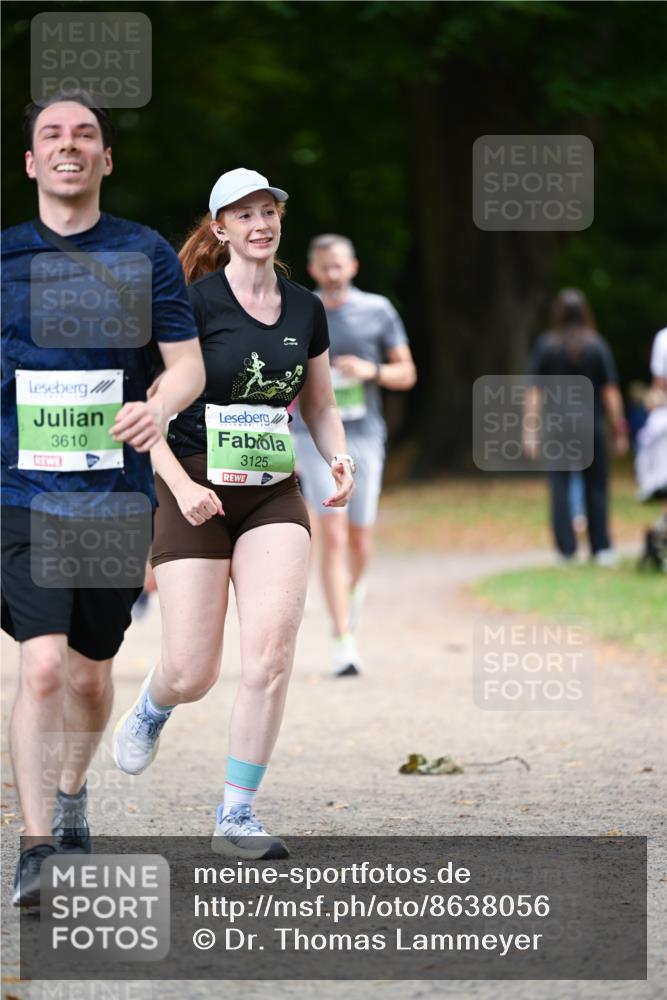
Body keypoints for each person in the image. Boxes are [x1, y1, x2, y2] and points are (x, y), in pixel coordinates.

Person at [113, 168, 355, 859]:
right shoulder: (189, 307)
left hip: (271, 489)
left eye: (268, 211)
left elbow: (320, 405)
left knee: (271, 655)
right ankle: (156, 704)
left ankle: (236, 816)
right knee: (193, 670)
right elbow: (141, 411)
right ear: (219, 228)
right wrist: (178, 487)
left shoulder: (306, 308)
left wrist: (338, 457)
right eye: (243, 214)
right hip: (192, 484)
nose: (260, 223)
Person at [1, 91, 205, 906]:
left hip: (113, 494)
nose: (68, 145)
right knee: (42, 668)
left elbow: (184, 364)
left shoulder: (145, 252)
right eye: (52, 135)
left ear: (105, 159)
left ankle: (75, 788)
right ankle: (35, 844)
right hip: (19, 489)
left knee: (89, 678)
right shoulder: (5, 257)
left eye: (85, 134)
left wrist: (158, 406)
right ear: (31, 161)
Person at [290, 235, 416, 676]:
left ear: (354, 266)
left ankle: (355, 590)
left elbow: (407, 373)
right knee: (334, 534)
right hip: (312, 435)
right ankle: (344, 641)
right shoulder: (302, 309)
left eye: (339, 266)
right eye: (324, 267)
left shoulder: (377, 310)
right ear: (313, 270)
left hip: (364, 434)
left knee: (360, 538)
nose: (333, 274)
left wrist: (371, 370)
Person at [525, 288, 628, 565]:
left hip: (557, 427)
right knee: (596, 485)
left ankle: (566, 550)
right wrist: (619, 428)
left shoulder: (547, 345)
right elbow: (611, 392)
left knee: (559, 486)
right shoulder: (597, 346)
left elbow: (535, 392)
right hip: (590, 426)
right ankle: (601, 547)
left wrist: (530, 429)